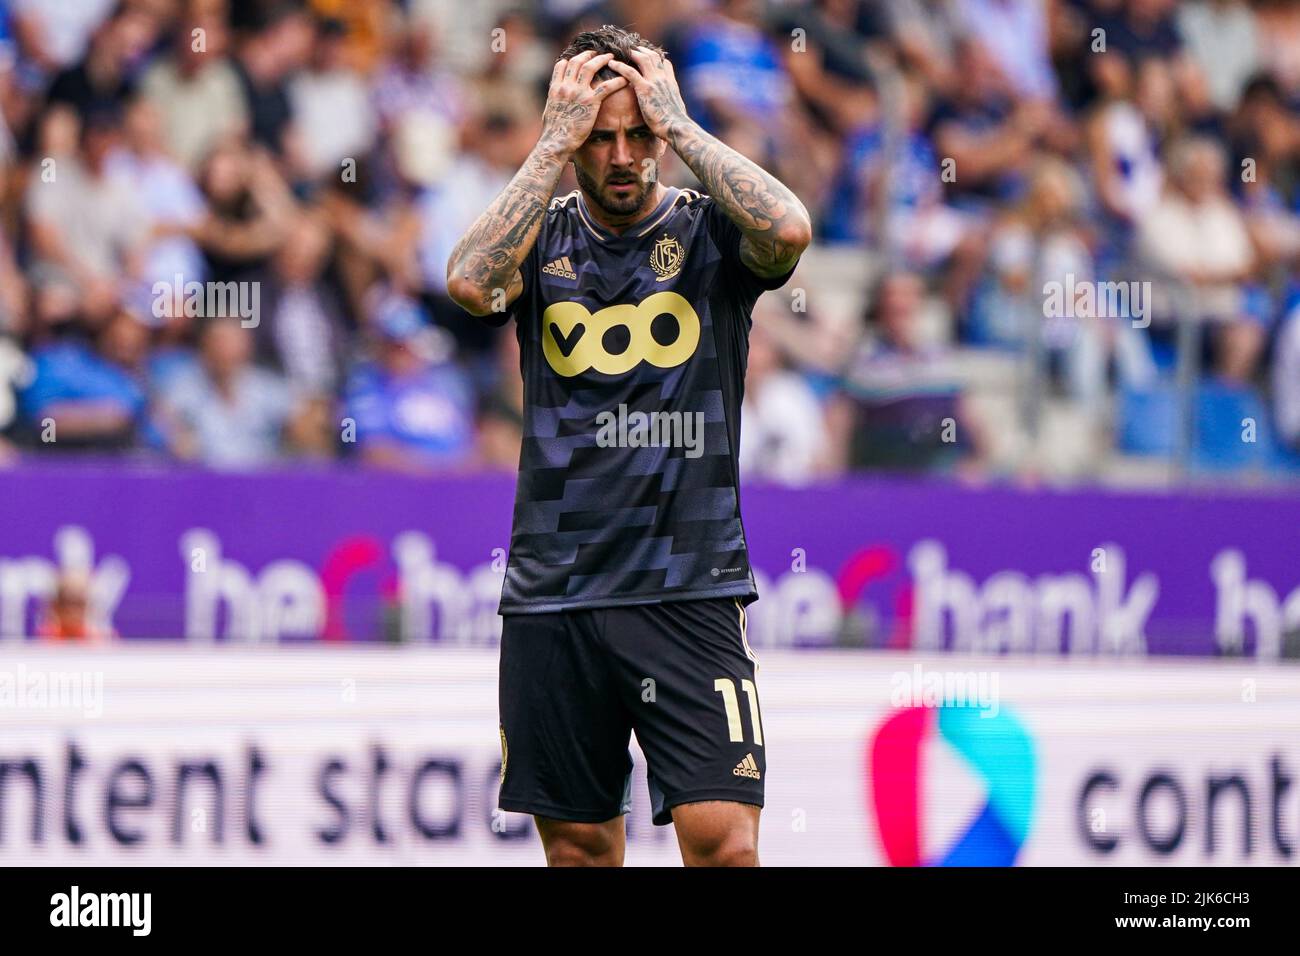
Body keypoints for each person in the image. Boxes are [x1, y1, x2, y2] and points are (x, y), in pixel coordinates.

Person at [446, 25, 811, 867]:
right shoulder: (541, 238)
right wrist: (548, 146)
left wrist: (680, 126)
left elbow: (788, 229)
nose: (621, 156)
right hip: (555, 591)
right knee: (578, 851)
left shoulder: (712, 232)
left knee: (724, 846)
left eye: (637, 134)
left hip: (689, 586)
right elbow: (468, 283)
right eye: (599, 137)